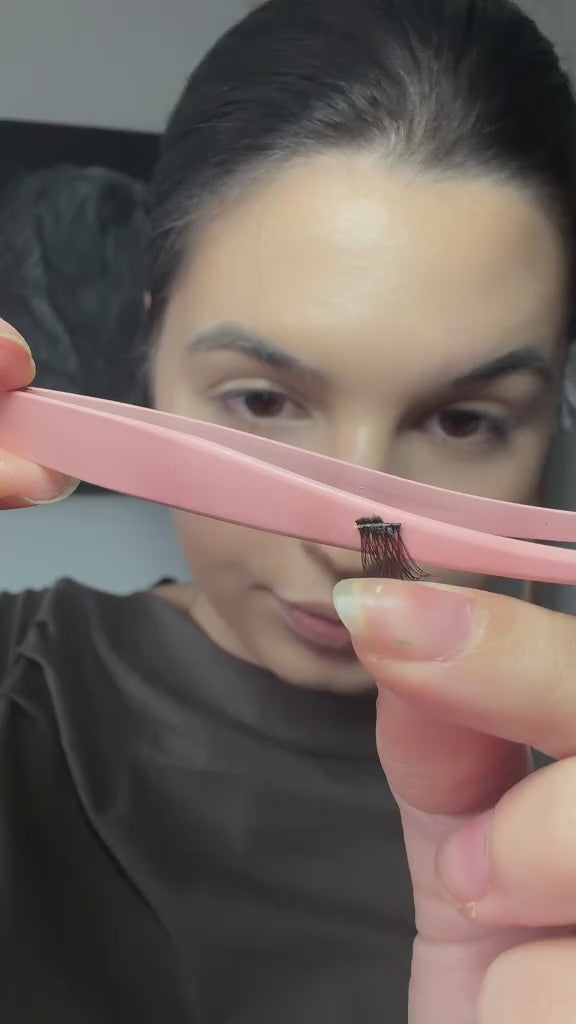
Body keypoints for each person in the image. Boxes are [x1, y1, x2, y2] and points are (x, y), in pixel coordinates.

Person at [1, 0, 576, 1020]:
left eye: (464, 420)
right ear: (151, 356)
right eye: (264, 401)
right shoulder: (23, 694)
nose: (353, 545)